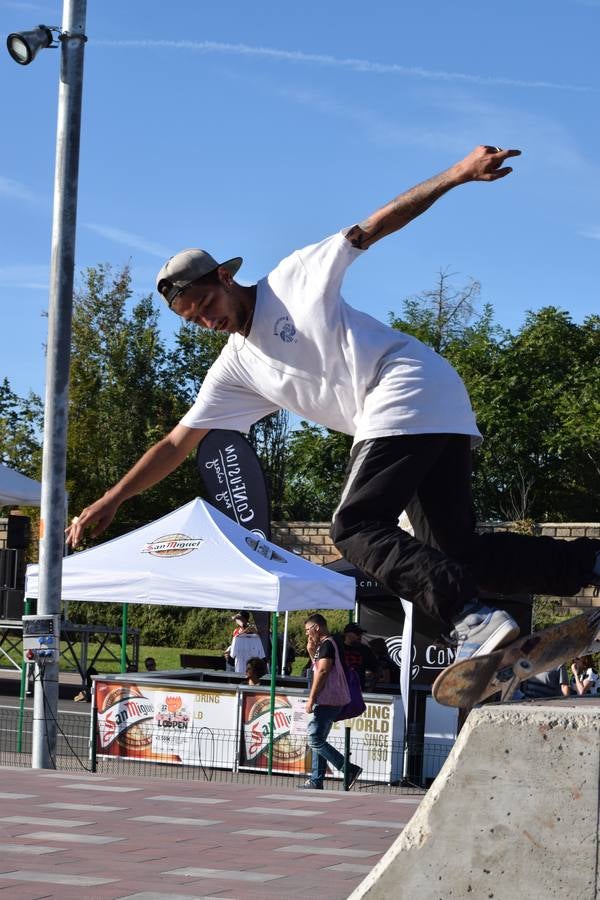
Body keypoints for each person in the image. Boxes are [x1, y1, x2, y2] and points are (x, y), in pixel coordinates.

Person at [66, 145, 600, 662]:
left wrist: (457, 173)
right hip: (436, 406)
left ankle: (473, 619)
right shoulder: (234, 368)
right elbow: (178, 442)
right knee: (456, 553)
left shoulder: (294, 279)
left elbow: (377, 224)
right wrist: (114, 498)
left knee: (353, 527)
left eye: (208, 304)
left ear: (226, 277)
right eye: (195, 320)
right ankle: (588, 562)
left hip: (403, 386)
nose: (209, 320)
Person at [301, 614, 362, 790]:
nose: (307, 635)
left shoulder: (328, 644)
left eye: (308, 631)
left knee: (314, 739)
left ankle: (348, 769)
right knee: (319, 739)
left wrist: (311, 698)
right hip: (334, 698)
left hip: (328, 698)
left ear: (316, 627)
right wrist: (311, 651)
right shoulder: (330, 644)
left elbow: (322, 671)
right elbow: (318, 665)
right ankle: (316, 779)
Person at [342, 623, 380, 691]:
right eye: (357, 633)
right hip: (340, 690)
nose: (359, 636)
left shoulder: (365, 650)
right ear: (347, 634)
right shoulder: (338, 648)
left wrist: (371, 687)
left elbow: (376, 670)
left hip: (358, 691)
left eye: (360, 634)